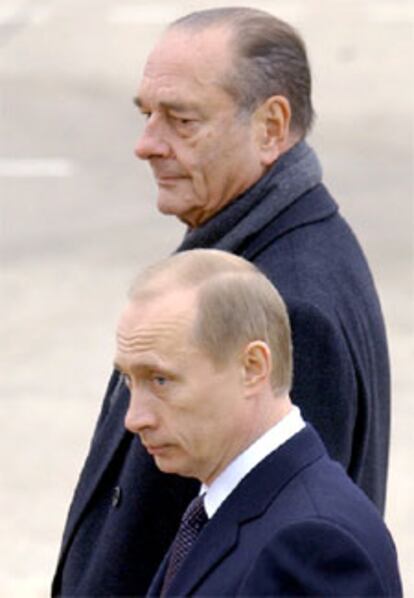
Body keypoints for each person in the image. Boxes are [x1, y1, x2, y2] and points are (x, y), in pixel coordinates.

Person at [52, 7, 391, 597]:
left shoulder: (288, 304)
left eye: (181, 119)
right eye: (146, 115)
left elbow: (275, 531)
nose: (146, 145)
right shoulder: (247, 247)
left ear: (270, 126)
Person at [114, 249, 401, 597]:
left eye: (160, 380)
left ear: (252, 367)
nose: (134, 418)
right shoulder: (222, 506)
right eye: (129, 380)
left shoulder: (314, 545)